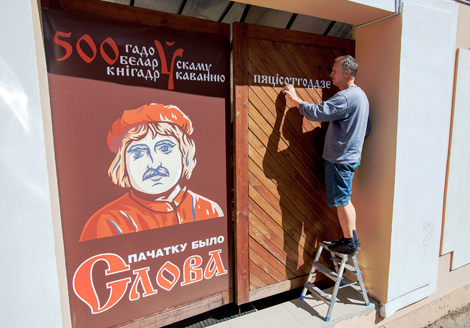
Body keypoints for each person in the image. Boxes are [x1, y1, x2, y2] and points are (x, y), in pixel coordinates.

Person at [80, 103, 224, 242]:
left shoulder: (208, 209)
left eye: (165, 148)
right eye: (138, 153)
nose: (154, 164)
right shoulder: (107, 223)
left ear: (184, 154)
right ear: (122, 164)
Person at [283, 55, 369, 254]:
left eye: (335, 70)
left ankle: (350, 243)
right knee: (344, 199)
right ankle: (351, 239)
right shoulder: (360, 95)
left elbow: (319, 112)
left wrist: (296, 101)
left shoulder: (346, 97)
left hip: (341, 159)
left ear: (347, 73)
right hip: (351, 156)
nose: (331, 74)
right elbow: (367, 126)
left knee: (342, 201)